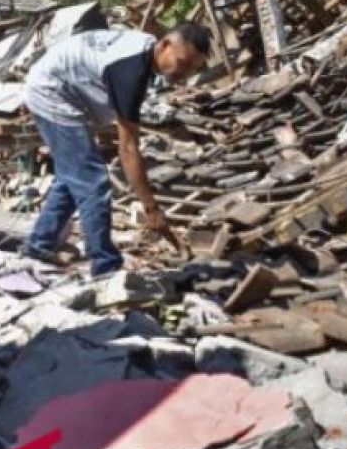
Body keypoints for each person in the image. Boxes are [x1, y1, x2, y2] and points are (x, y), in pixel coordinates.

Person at [21, 23, 212, 276]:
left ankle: (39, 244)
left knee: (73, 177)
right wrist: (151, 208)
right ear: (165, 45)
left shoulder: (144, 54)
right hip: (52, 91)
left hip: (65, 89)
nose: (184, 73)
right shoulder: (130, 71)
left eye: (192, 69)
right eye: (183, 62)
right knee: (93, 180)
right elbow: (128, 149)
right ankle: (105, 266)